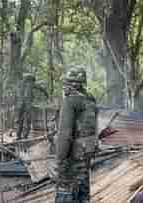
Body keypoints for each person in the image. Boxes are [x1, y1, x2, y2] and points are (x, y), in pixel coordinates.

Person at [53, 68, 97, 203]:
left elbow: (64, 134)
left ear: (71, 84)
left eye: (65, 83)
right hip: (86, 152)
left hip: (72, 155)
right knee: (82, 188)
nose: (64, 86)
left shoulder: (70, 101)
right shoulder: (90, 99)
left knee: (65, 191)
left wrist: (59, 159)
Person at [15, 73, 48, 141]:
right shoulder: (30, 83)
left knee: (19, 120)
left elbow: (16, 95)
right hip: (27, 105)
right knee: (27, 120)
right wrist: (46, 94)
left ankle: (18, 136)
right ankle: (25, 137)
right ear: (30, 79)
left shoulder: (19, 84)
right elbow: (40, 88)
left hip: (19, 105)